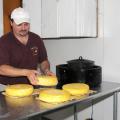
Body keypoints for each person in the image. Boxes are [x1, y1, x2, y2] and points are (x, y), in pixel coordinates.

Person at [0, 7, 54, 85]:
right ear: (11, 23)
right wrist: (26, 72)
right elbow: (2, 69)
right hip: (7, 88)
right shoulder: (4, 41)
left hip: (31, 87)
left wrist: (46, 70)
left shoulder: (36, 39)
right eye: (19, 25)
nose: (23, 28)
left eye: (26, 24)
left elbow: (43, 60)